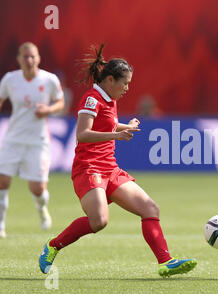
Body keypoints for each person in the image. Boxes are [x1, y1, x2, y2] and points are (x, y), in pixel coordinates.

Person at [38, 44, 197, 277]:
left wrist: (126, 126)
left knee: (150, 208)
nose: (127, 88)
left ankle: (165, 261)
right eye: (125, 83)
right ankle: (52, 246)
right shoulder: (92, 99)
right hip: (88, 168)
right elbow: (82, 133)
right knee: (99, 221)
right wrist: (117, 135)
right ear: (110, 80)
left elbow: (107, 123)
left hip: (109, 169)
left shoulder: (109, 98)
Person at [0, 42, 65, 238]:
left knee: (37, 188)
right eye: (25, 56)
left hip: (38, 140)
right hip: (13, 138)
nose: (29, 60)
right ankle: (1, 224)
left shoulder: (49, 80)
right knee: (2, 182)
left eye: (32, 56)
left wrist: (48, 110)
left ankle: (42, 208)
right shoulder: (10, 79)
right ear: (19, 59)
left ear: (38, 58)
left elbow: (60, 102)